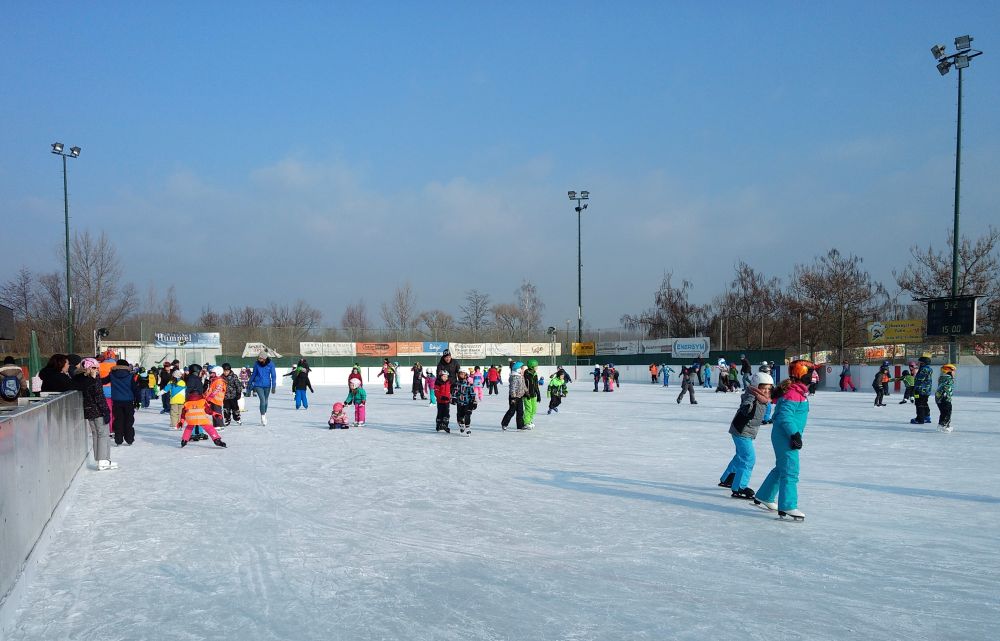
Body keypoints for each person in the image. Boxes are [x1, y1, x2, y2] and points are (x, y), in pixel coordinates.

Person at [752, 360, 814, 521]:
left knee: (781, 468)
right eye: (810, 373)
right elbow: (785, 416)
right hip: (786, 436)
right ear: (801, 375)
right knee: (791, 470)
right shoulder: (794, 393)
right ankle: (788, 506)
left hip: (784, 434)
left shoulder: (798, 391)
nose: (814, 376)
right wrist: (794, 434)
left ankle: (765, 496)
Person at [719, 371, 773, 499]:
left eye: (768, 388)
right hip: (742, 431)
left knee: (741, 456)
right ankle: (739, 487)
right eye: (763, 388)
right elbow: (747, 402)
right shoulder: (752, 395)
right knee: (749, 458)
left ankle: (728, 478)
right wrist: (746, 408)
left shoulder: (763, 399)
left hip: (742, 430)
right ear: (756, 386)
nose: (766, 391)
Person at [71, 357, 117, 470]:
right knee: (103, 434)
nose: (97, 369)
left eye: (97, 367)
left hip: (89, 410)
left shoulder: (80, 378)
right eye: (94, 367)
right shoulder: (92, 378)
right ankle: (103, 460)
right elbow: (98, 395)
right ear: (88, 367)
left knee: (97, 434)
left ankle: (100, 459)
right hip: (97, 410)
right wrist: (105, 410)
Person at [102, 359, 136, 446]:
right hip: (128, 401)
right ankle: (129, 439)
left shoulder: (112, 375)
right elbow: (135, 388)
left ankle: (118, 440)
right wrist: (138, 400)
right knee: (129, 420)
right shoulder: (130, 375)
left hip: (117, 401)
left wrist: (94, 377)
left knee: (118, 420)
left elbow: (103, 381)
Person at [248, 351, 277, 425]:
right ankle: (263, 416)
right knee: (262, 400)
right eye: (258, 358)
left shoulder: (271, 364)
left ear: (265, 358)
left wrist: (273, 386)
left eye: (260, 358)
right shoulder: (256, 364)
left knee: (266, 400)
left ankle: (264, 413)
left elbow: (273, 375)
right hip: (258, 385)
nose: (259, 359)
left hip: (267, 385)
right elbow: (254, 374)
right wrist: (249, 384)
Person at [501, 362, 528, 430]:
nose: (523, 370)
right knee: (512, 411)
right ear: (518, 369)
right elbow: (512, 388)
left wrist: (527, 392)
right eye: (522, 369)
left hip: (519, 397)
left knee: (520, 412)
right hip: (514, 397)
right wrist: (513, 397)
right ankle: (504, 423)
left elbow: (523, 385)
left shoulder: (521, 377)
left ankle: (520, 426)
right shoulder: (515, 377)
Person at [911, 354, 933, 425]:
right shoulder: (928, 368)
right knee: (924, 403)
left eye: (919, 362)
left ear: (923, 363)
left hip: (920, 390)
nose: (918, 363)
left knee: (919, 404)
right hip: (925, 391)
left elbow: (920, 379)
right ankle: (927, 417)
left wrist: (915, 376)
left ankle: (920, 419)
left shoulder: (924, 369)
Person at [453, 369, 477, 435]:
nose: (461, 375)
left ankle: (468, 428)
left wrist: (474, 401)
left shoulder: (468, 384)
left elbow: (472, 393)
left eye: (463, 374)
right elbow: (455, 392)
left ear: (466, 375)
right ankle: (462, 425)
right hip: (460, 402)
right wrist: (454, 398)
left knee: (467, 415)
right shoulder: (457, 384)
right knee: (459, 416)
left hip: (467, 402)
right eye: (460, 374)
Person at [935, 363, 956, 432]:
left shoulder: (942, 377)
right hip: (945, 397)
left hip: (939, 398)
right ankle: (945, 426)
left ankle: (941, 424)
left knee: (943, 412)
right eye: (953, 371)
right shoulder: (948, 379)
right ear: (949, 371)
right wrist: (946, 396)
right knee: (947, 412)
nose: (954, 373)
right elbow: (946, 388)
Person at [523, 359, 541, 429]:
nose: (537, 367)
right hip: (527, 394)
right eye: (536, 366)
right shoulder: (526, 373)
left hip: (533, 394)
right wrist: (526, 393)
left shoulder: (535, 374)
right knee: (528, 408)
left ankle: (529, 421)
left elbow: (536, 385)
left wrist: (538, 394)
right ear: (531, 366)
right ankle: (526, 422)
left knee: (534, 409)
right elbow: (524, 384)